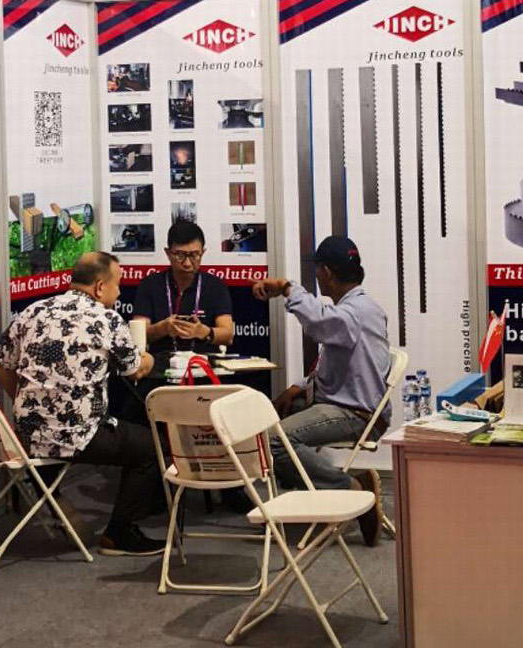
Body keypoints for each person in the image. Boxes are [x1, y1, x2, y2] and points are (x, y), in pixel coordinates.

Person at [0, 251, 164, 557]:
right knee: (151, 446)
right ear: (100, 287)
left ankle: (52, 496)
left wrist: (26, 401)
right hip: (80, 437)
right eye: (117, 284)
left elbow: (2, 365)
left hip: (29, 435)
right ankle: (120, 533)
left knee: (76, 441)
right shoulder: (107, 319)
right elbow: (135, 370)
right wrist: (148, 357)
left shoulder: (33, 311)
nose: (119, 293)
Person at [253, 236, 391, 545]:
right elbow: (339, 366)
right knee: (266, 422)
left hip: (355, 414)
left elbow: (318, 321)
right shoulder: (358, 308)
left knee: (274, 440)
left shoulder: (355, 313)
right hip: (341, 403)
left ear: (326, 272)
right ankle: (310, 499)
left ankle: (350, 489)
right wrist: (299, 387)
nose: (316, 276)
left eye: (317, 270)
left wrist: (287, 287)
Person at [132, 219, 235, 356]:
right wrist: (163, 328)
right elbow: (138, 335)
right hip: (160, 362)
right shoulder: (150, 285)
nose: (187, 263)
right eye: (180, 255)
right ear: (168, 253)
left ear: (202, 252)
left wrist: (204, 332)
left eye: (194, 255)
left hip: (203, 363)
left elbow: (228, 335)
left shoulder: (215, 285)